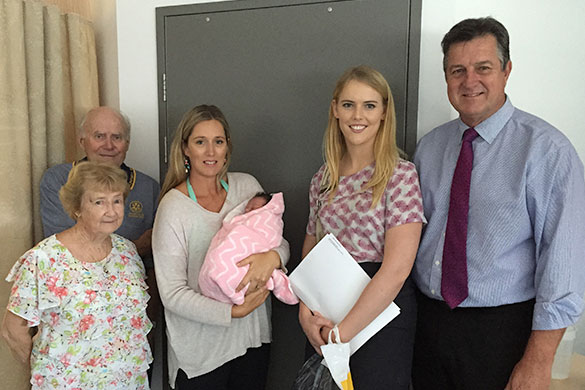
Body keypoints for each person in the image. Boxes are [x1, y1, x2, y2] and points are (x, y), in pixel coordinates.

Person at [412, 17, 585, 390]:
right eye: (457, 70)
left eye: (483, 68)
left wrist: (538, 362)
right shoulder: (429, 149)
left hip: (503, 334)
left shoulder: (547, 151)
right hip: (425, 327)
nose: (469, 81)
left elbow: (563, 268)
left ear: (507, 71)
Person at [298, 65, 425, 389]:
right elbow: (310, 251)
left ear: (384, 112)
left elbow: (397, 270)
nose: (358, 115)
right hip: (325, 316)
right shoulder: (323, 179)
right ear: (335, 110)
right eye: (348, 104)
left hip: (379, 318)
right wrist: (305, 313)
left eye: (369, 105)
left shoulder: (400, 176)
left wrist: (343, 334)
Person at [152, 104, 290, 389]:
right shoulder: (173, 208)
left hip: (251, 340)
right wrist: (231, 313)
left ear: (228, 147)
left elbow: (279, 241)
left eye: (218, 141)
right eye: (200, 142)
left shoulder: (247, 188)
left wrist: (273, 257)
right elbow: (173, 294)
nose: (211, 152)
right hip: (201, 353)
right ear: (185, 149)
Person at [2, 161, 152, 389]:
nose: (111, 211)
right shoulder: (44, 259)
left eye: (117, 200)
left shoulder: (128, 252)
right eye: (99, 201)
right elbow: (13, 329)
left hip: (127, 381)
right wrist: (47, 367)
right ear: (77, 207)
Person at [198, 192, 298, 305]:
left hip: (254, 319)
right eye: (246, 208)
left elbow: (281, 243)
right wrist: (233, 312)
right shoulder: (177, 206)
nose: (247, 211)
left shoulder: (250, 190)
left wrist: (273, 258)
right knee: (220, 261)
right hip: (203, 310)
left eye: (253, 208)